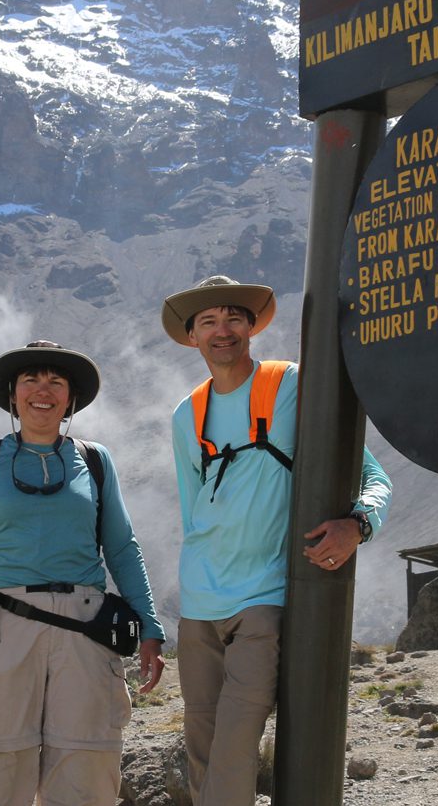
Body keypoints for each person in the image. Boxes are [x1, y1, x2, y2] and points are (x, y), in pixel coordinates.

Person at [161, 276, 392, 805]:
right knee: (201, 750)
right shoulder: (185, 415)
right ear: (192, 336)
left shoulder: (293, 385)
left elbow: (374, 477)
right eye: (209, 322)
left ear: (252, 327)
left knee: (235, 746)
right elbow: (194, 509)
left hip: (263, 600)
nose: (223, 331)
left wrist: (358, 525)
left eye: (233, 318)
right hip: (198, 606)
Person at [0, 340, 165, 805]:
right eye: (31, 380)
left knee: (85, 765)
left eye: (56, 382)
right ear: (12, 394)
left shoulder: (96, 461)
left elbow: (122, 548)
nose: (42, 391)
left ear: (70, 399)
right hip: (2, 624)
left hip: (85, 628)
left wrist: (150, 628)